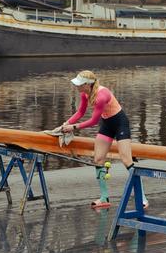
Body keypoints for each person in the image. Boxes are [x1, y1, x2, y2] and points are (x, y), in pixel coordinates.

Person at [61, 70, 147, 209]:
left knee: (126, 160)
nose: (76, 87)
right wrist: (66, 123)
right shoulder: (84, 94)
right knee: (98, 159)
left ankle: (142, 197)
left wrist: (73, 127)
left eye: (79, 84)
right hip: (107, 124)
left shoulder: (102, 95)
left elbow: (94, 121)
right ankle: (104, 197)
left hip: (120, 123)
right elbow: (81, 112)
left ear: (87, 85)